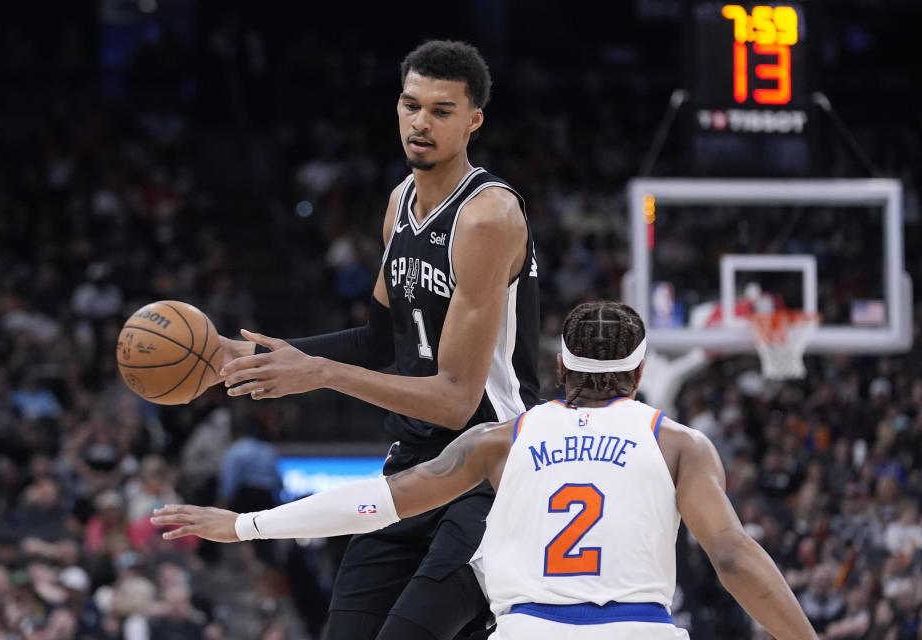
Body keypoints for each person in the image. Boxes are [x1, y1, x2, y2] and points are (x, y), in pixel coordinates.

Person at [154, 301, 818, 640]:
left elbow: (380, 502)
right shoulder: (679, 445)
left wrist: (244, 524)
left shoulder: (502, 440)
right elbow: (731, 557)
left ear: (559, 369)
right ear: (640, 374)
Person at [212, 39, 541, 640]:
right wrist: (264, 355)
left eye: (442, 111)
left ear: (474, 121)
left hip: (490, 465)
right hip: (413, 462)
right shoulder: (400, 203)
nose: (421, 122)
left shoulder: (487, 217)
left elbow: (455, 400)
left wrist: (321, 374)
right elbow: (377, 340)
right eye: (411, 105)